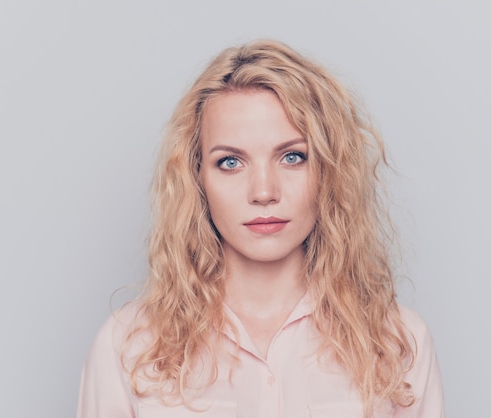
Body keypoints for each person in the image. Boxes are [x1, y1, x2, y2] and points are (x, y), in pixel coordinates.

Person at [77, 39, 444, 418]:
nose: (264, 192)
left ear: (330, 171)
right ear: (196, 176)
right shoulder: (129, 345)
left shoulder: (398, 342)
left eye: (292, 157)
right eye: (231, 162)